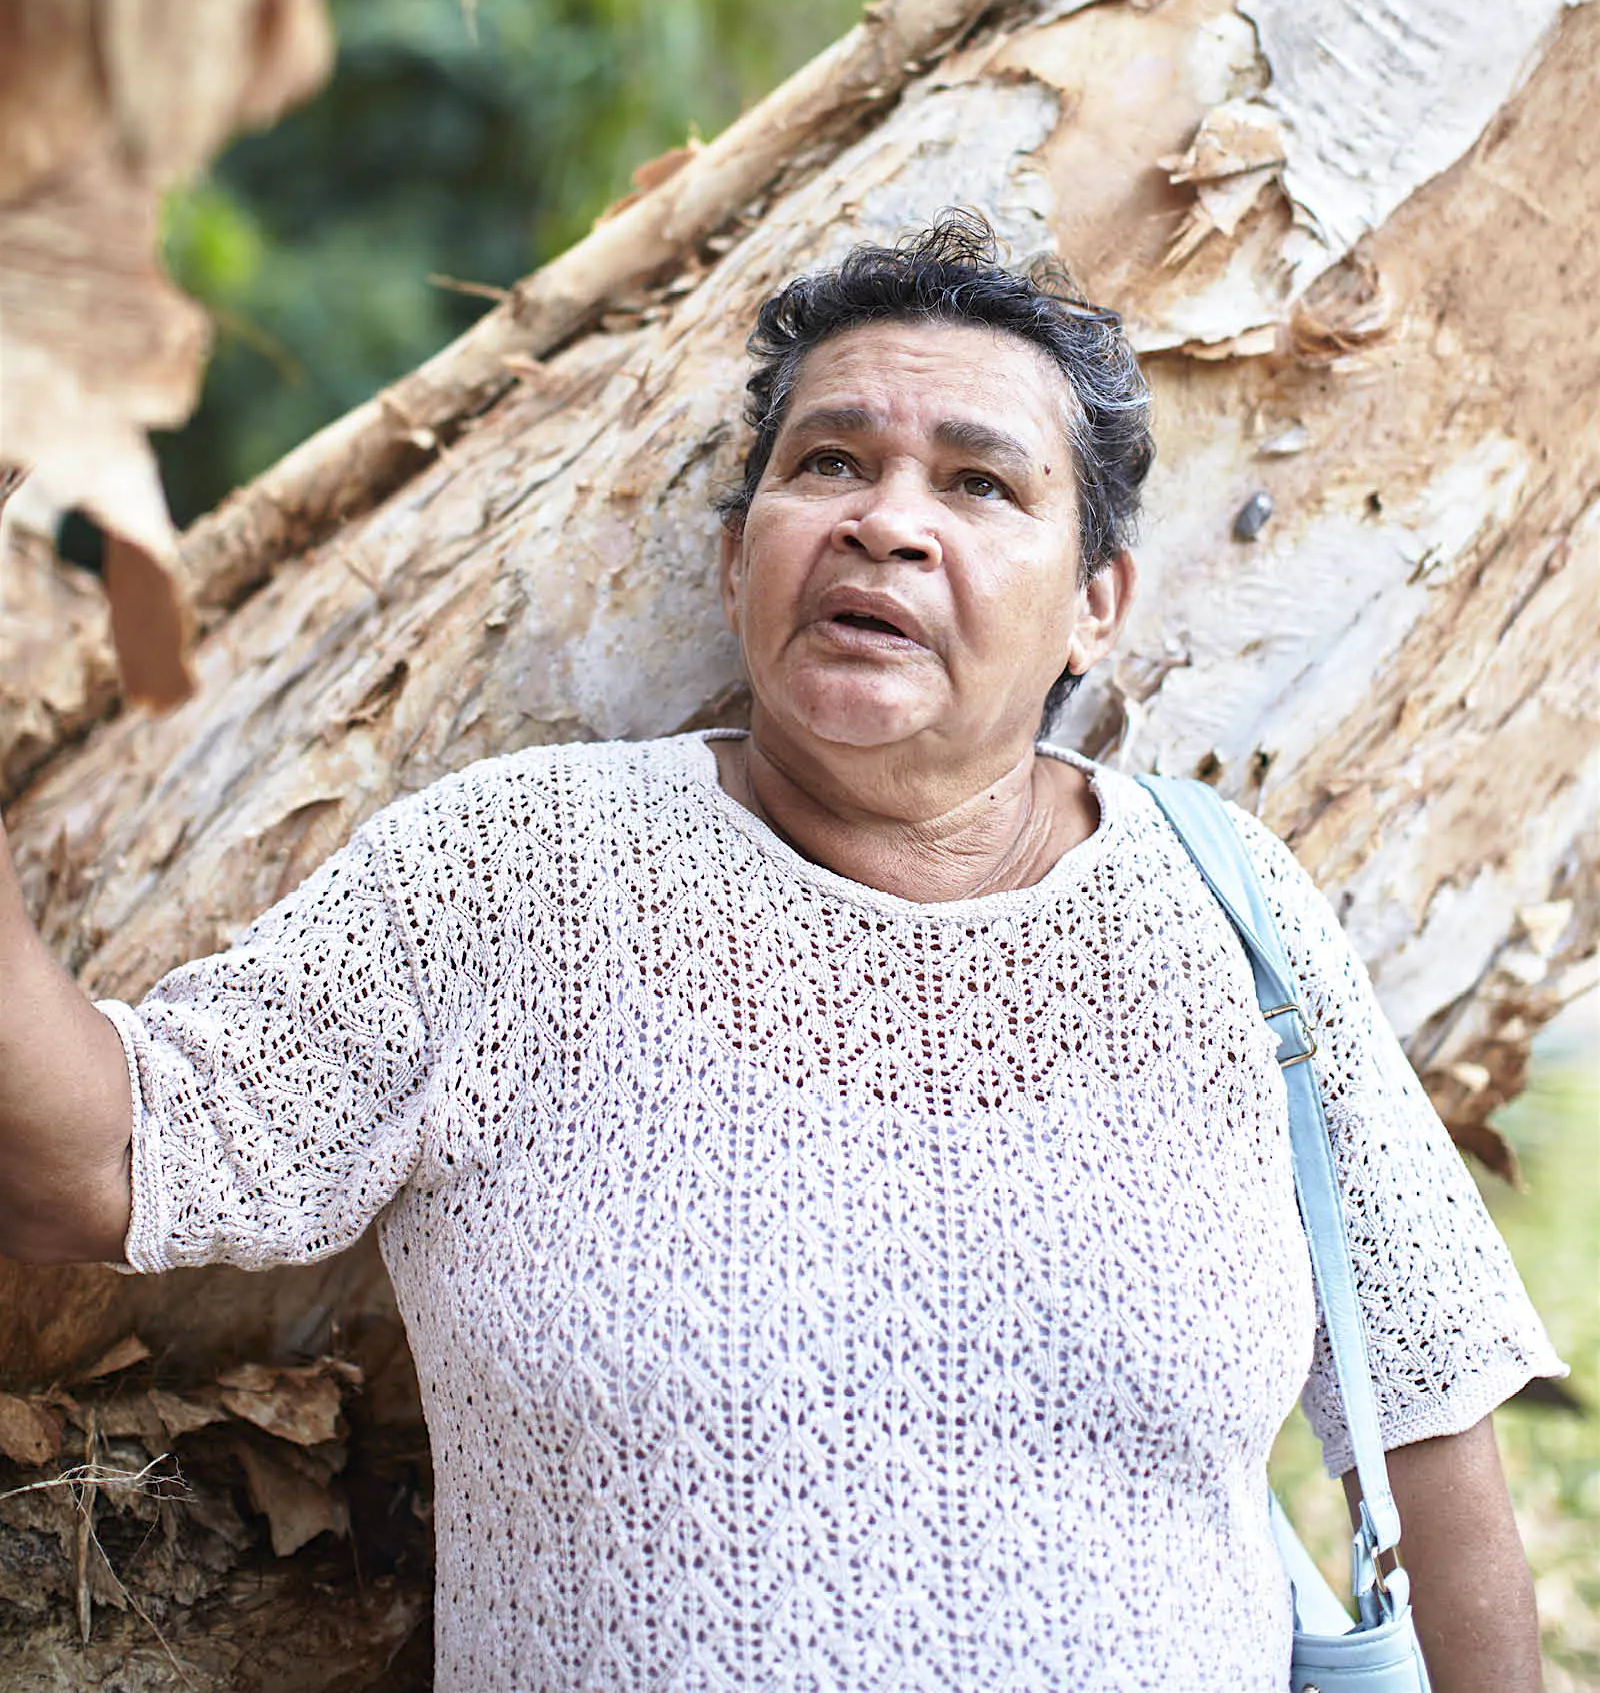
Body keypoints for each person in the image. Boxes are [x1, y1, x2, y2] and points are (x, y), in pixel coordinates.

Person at [0, 216, 1559, 1693]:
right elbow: (95, 1161)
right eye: (831, 464)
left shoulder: (1233, 918)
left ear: (1097, 606)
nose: (888, 520)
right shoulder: (518, 875)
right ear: (742, 554)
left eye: (980, 485)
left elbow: (1427, 1422)